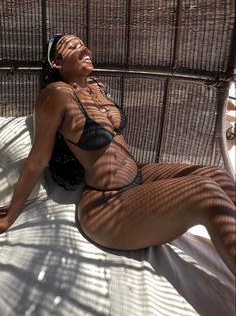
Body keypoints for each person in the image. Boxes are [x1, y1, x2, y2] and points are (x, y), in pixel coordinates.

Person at [0, 33, 235, 276]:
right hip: (107, 203)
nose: (84, 49)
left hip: (139, 175)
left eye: (83, 45)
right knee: (206, 193)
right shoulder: (55, 95)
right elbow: (37, 161)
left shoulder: (97, 88)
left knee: (219, 176)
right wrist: (9, 219)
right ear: (57, 63)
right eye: (72, 46)